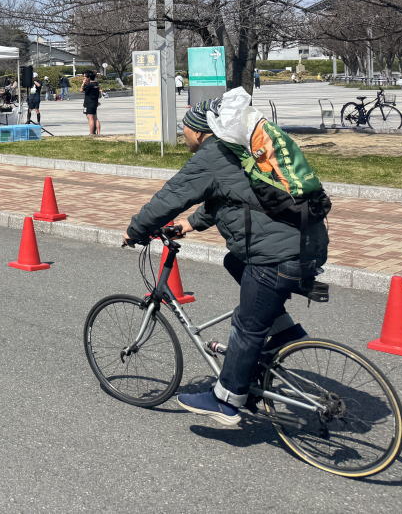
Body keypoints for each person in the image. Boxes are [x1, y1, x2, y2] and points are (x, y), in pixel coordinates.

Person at [123, 99, 327, 425]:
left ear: (198, 131)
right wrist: (190, 224)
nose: (182, 134)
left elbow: (170, 196)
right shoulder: (237, 151)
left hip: (277, 256)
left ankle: (226, 398)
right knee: (234, 261)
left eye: (184, 128)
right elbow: (235, 197)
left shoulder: (211, 155)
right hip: (308, 245)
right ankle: (285, 332)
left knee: (246, 327)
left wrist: (135, 230)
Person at [81, 70, 101, 136]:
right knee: (95, 118)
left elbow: (81, 90)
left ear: (89, 77)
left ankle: (91, 133)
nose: (84, 78)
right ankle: (98, 132)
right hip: (94, 102)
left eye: (85, 77)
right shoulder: (96, 84)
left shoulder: (89, 85)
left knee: (90, 118)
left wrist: (83, 83)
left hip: (89, 103)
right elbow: (98, 94)